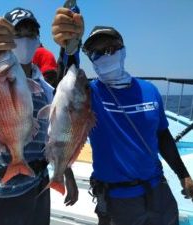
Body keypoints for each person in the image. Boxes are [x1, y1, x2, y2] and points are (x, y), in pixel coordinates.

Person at [52, 7, 193, 225]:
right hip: (117, 200)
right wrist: (71, 47)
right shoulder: (91, 94)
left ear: (123, 50)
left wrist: (183, 174)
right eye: (97, 52)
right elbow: (67, 84)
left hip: (159, 191)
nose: (104, 55)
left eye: (110, 48)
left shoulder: (150, 91)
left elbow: (163, 136)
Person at [0, 7, 78, 225]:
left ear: (38, 40)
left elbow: (61, 132)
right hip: (2, 197)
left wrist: (66, 172)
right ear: (4, 40)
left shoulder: (45, 89)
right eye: (18, 34)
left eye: (31, 34)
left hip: (39, 186)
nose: (25, 40)